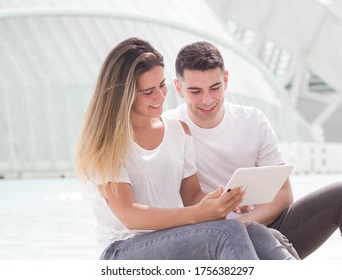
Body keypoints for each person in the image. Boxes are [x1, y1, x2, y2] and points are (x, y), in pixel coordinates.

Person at [74, 37, 295, 260]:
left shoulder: (179, 131)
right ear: (125, 95)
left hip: (175, 237)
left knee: (254, 230)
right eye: (148, 91)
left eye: (162, 85)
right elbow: (129, 215)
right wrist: (197, 214)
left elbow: (192, 196)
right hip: (122, 250)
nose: (160, 97)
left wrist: (221, 202)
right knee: (226, 233)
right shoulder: (107, 142)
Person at [163, 40, 342, 260]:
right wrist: (231, 230)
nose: (207, 100)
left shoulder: (252, 120)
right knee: (267, 237)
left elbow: (283, 195)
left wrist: (245, 226)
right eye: (195, 91)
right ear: (179, 88)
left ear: (225, 80)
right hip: (211, 242)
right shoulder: (170, 127)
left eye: (215, 88)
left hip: (263, 226)